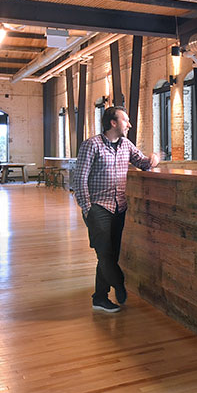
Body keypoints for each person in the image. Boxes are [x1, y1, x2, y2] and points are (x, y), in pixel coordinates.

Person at [70, 105, 159, 313]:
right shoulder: (91, 145)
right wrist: (88, 209)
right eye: (125, 120)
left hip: (119, 207)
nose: (129, 124)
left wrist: (153, 158)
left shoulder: (126, 145)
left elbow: (142, 163)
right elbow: (79, 179)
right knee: (105, 253)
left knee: (111, 255)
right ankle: (119, 284)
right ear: (113, 123)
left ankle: (100, 297)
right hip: (98, 207)